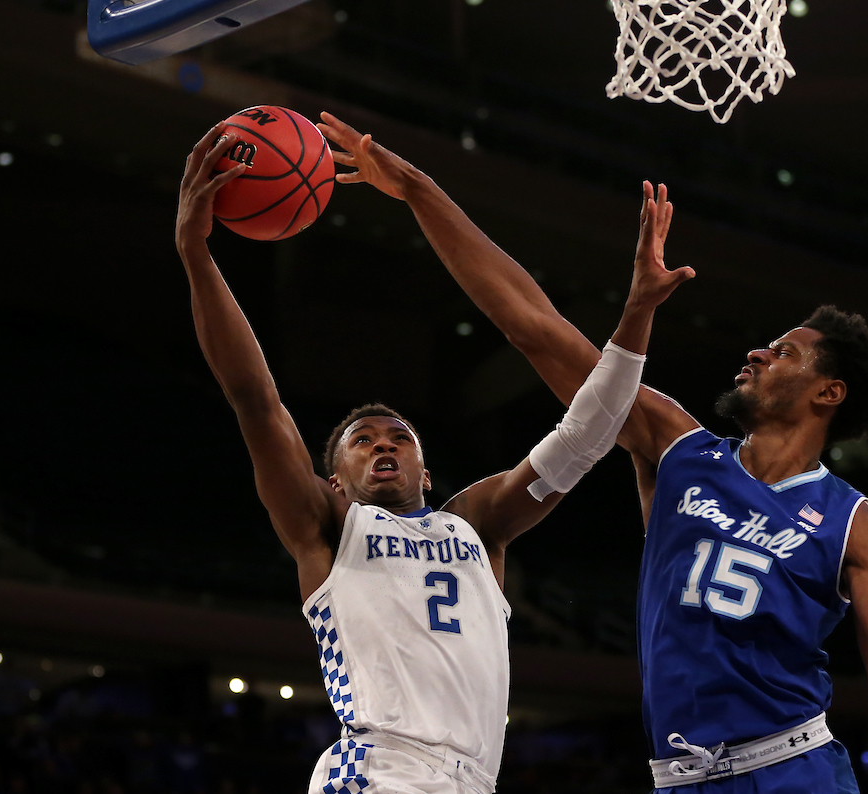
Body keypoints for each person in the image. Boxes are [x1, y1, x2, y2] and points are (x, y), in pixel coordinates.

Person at [317, 111, 868, 794]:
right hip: (679, 780)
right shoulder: (677, 446)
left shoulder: (855, 525)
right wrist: (421, 191)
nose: (756, 352)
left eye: (784, 353)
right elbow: (535, 327)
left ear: (829, 393)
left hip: (791, 770)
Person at [174, 121, 692, 794]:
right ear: (335, 480)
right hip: (380, 770)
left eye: (399, 438)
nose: (383, 443)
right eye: (362, 441)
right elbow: (255, 400)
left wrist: (636, 315)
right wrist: (196, 256)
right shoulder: (328, 526)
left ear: (426, 472)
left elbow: (587, 436)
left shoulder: (475, 524)